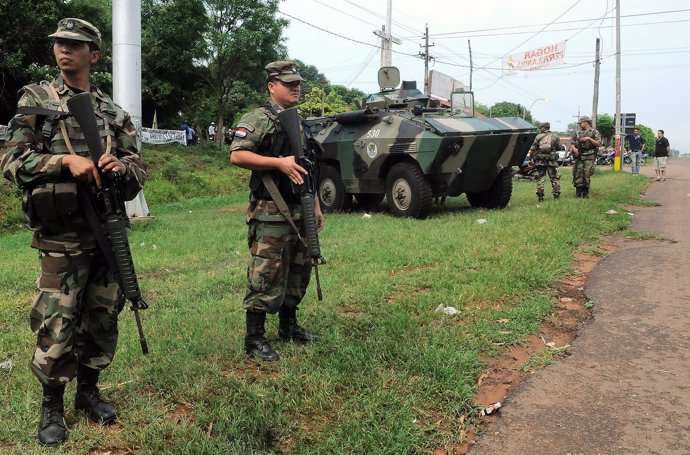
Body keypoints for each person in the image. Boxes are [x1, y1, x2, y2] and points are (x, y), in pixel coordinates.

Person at [0, 18, 147, 446]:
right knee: (57, 318)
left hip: (107, 227)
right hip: (61, 233)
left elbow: (139, 167)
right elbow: (11, 162)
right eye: (60, 43)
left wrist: (121, 167)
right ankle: (52, 407)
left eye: (75, 45)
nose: (64, 50)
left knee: (102, 313)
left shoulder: (113, 113)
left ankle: (88, 391)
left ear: (94, 56)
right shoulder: (37, 100)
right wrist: (64, 162)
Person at [230, 61, 324, 362]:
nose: (296, 88)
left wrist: (317, 206)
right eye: (289, 84)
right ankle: (254, 338)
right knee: (266, 271)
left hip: (301, 206)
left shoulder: (298, 121)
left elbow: (309, 167)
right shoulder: (258, 118)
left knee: (299, 268)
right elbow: (237, 154)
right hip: (270, 209)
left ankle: (289, 326)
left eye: (298, 83)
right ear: (272, 86)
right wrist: (278, 163)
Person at [528, 121, 561, 202]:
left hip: (540, 162)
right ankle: (556, 195)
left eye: (541, 127)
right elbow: (558, 148)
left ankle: (540, 197)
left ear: (543, 128)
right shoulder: (556, 136)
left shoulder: (538, 137)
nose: (540, 129)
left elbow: (532, 149)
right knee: (554, 178)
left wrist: (530, 159)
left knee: (540, 179)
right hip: (552, 162)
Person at [570, 116, 602, 198]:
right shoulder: (577, 132)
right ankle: (578, 192)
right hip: (579, 156)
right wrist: (574, 149)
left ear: (586, 122)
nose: (580, 124)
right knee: (577, 174)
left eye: (581, 123)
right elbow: (572, 143)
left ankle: (585, 192)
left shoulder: (594, 132)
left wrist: (589, 139)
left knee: (586, 174)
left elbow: (598, 143)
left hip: (589, 156)